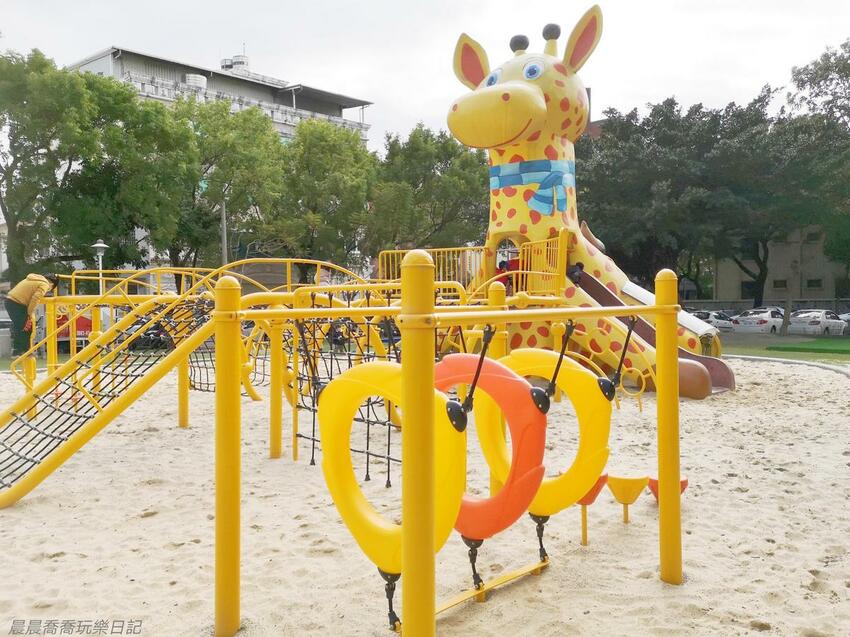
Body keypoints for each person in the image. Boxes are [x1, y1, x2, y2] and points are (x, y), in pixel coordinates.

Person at [4, 273, 58, 356]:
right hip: (17, 303)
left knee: (20, 326)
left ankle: (20, 350)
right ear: (52, 284)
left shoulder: (33, 279)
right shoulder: (44, 284)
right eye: (50, 290)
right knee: (27, 327)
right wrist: (30, 312)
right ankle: (23, 351)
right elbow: (35, 298)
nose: (48, 290)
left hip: (11, 301)